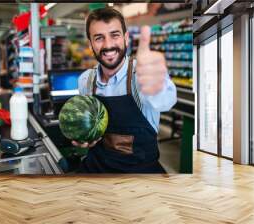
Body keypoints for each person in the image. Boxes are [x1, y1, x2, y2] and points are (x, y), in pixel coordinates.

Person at [75, 7, 177, 173]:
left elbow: (166, 101)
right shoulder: (85, 80)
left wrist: (158, 86)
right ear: (90, 44)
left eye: (114, 35)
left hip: (140, 176)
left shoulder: (142, 75)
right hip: (95, 170)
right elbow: (87, 125)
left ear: (126, 38)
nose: (108, 45)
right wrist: (85, 138)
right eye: (99, 38)